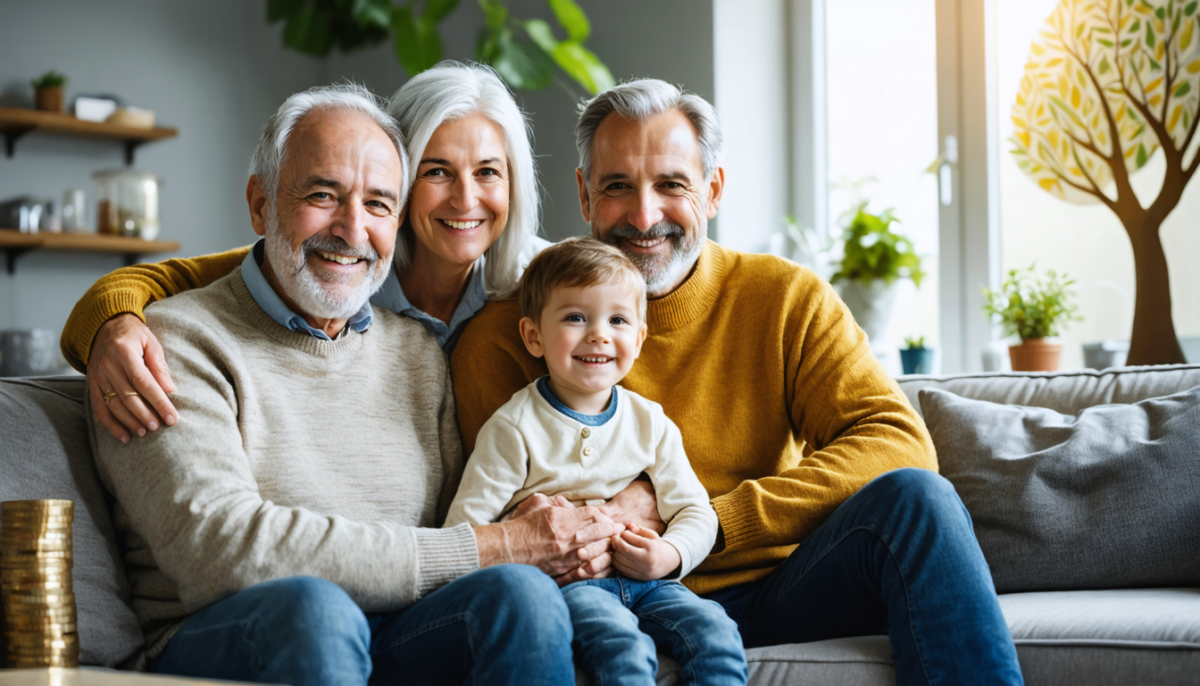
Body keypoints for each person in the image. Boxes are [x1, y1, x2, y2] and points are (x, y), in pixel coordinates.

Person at [449, 80, 1026, 685]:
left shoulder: (783, 300)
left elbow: (898, 442)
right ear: (585, 194)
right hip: (599, 599)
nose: (644, 217)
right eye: (617, 185)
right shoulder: (508, 336)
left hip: (779, 588)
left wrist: (711, 520)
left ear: (714, 190)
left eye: (672, 184)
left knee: (919, 499)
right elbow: (495, 530)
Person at [87, 83, 622, 686]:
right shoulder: (171, 345)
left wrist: (549, 519)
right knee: (316, 610)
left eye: (376, 204)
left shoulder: (417, 350)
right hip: (229, 632)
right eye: (323, 194)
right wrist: (493, 545)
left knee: (518, 594)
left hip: (396, 631)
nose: (350, 229)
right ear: (260, 205)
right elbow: (220, 550)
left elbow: (458, 519)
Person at [444, 237, 748, 686]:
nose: (599, 334)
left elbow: (694, 509)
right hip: (573, 589)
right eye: (575, 317)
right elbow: (464, 532)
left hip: (655, 583)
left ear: (639, 338)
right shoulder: (514, 427)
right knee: (624, 649)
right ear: (534, 336)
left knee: (718, 633)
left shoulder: (651, 422)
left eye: (618, 319)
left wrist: (669, 554)